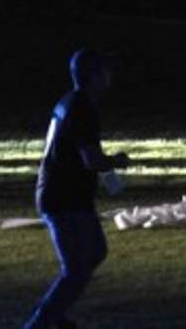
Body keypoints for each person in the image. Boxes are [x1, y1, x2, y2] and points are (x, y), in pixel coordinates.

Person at [24, 49, 132, 329]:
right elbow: (91, 160)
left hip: (70, 194)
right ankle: (39, 323)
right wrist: (116, 161)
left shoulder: (71, 101)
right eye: (105, 71)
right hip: (62, 196)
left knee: (95, 251)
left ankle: (56, 315)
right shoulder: (82, 107)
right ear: (94, 76)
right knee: (75, 269)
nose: (110, 76)